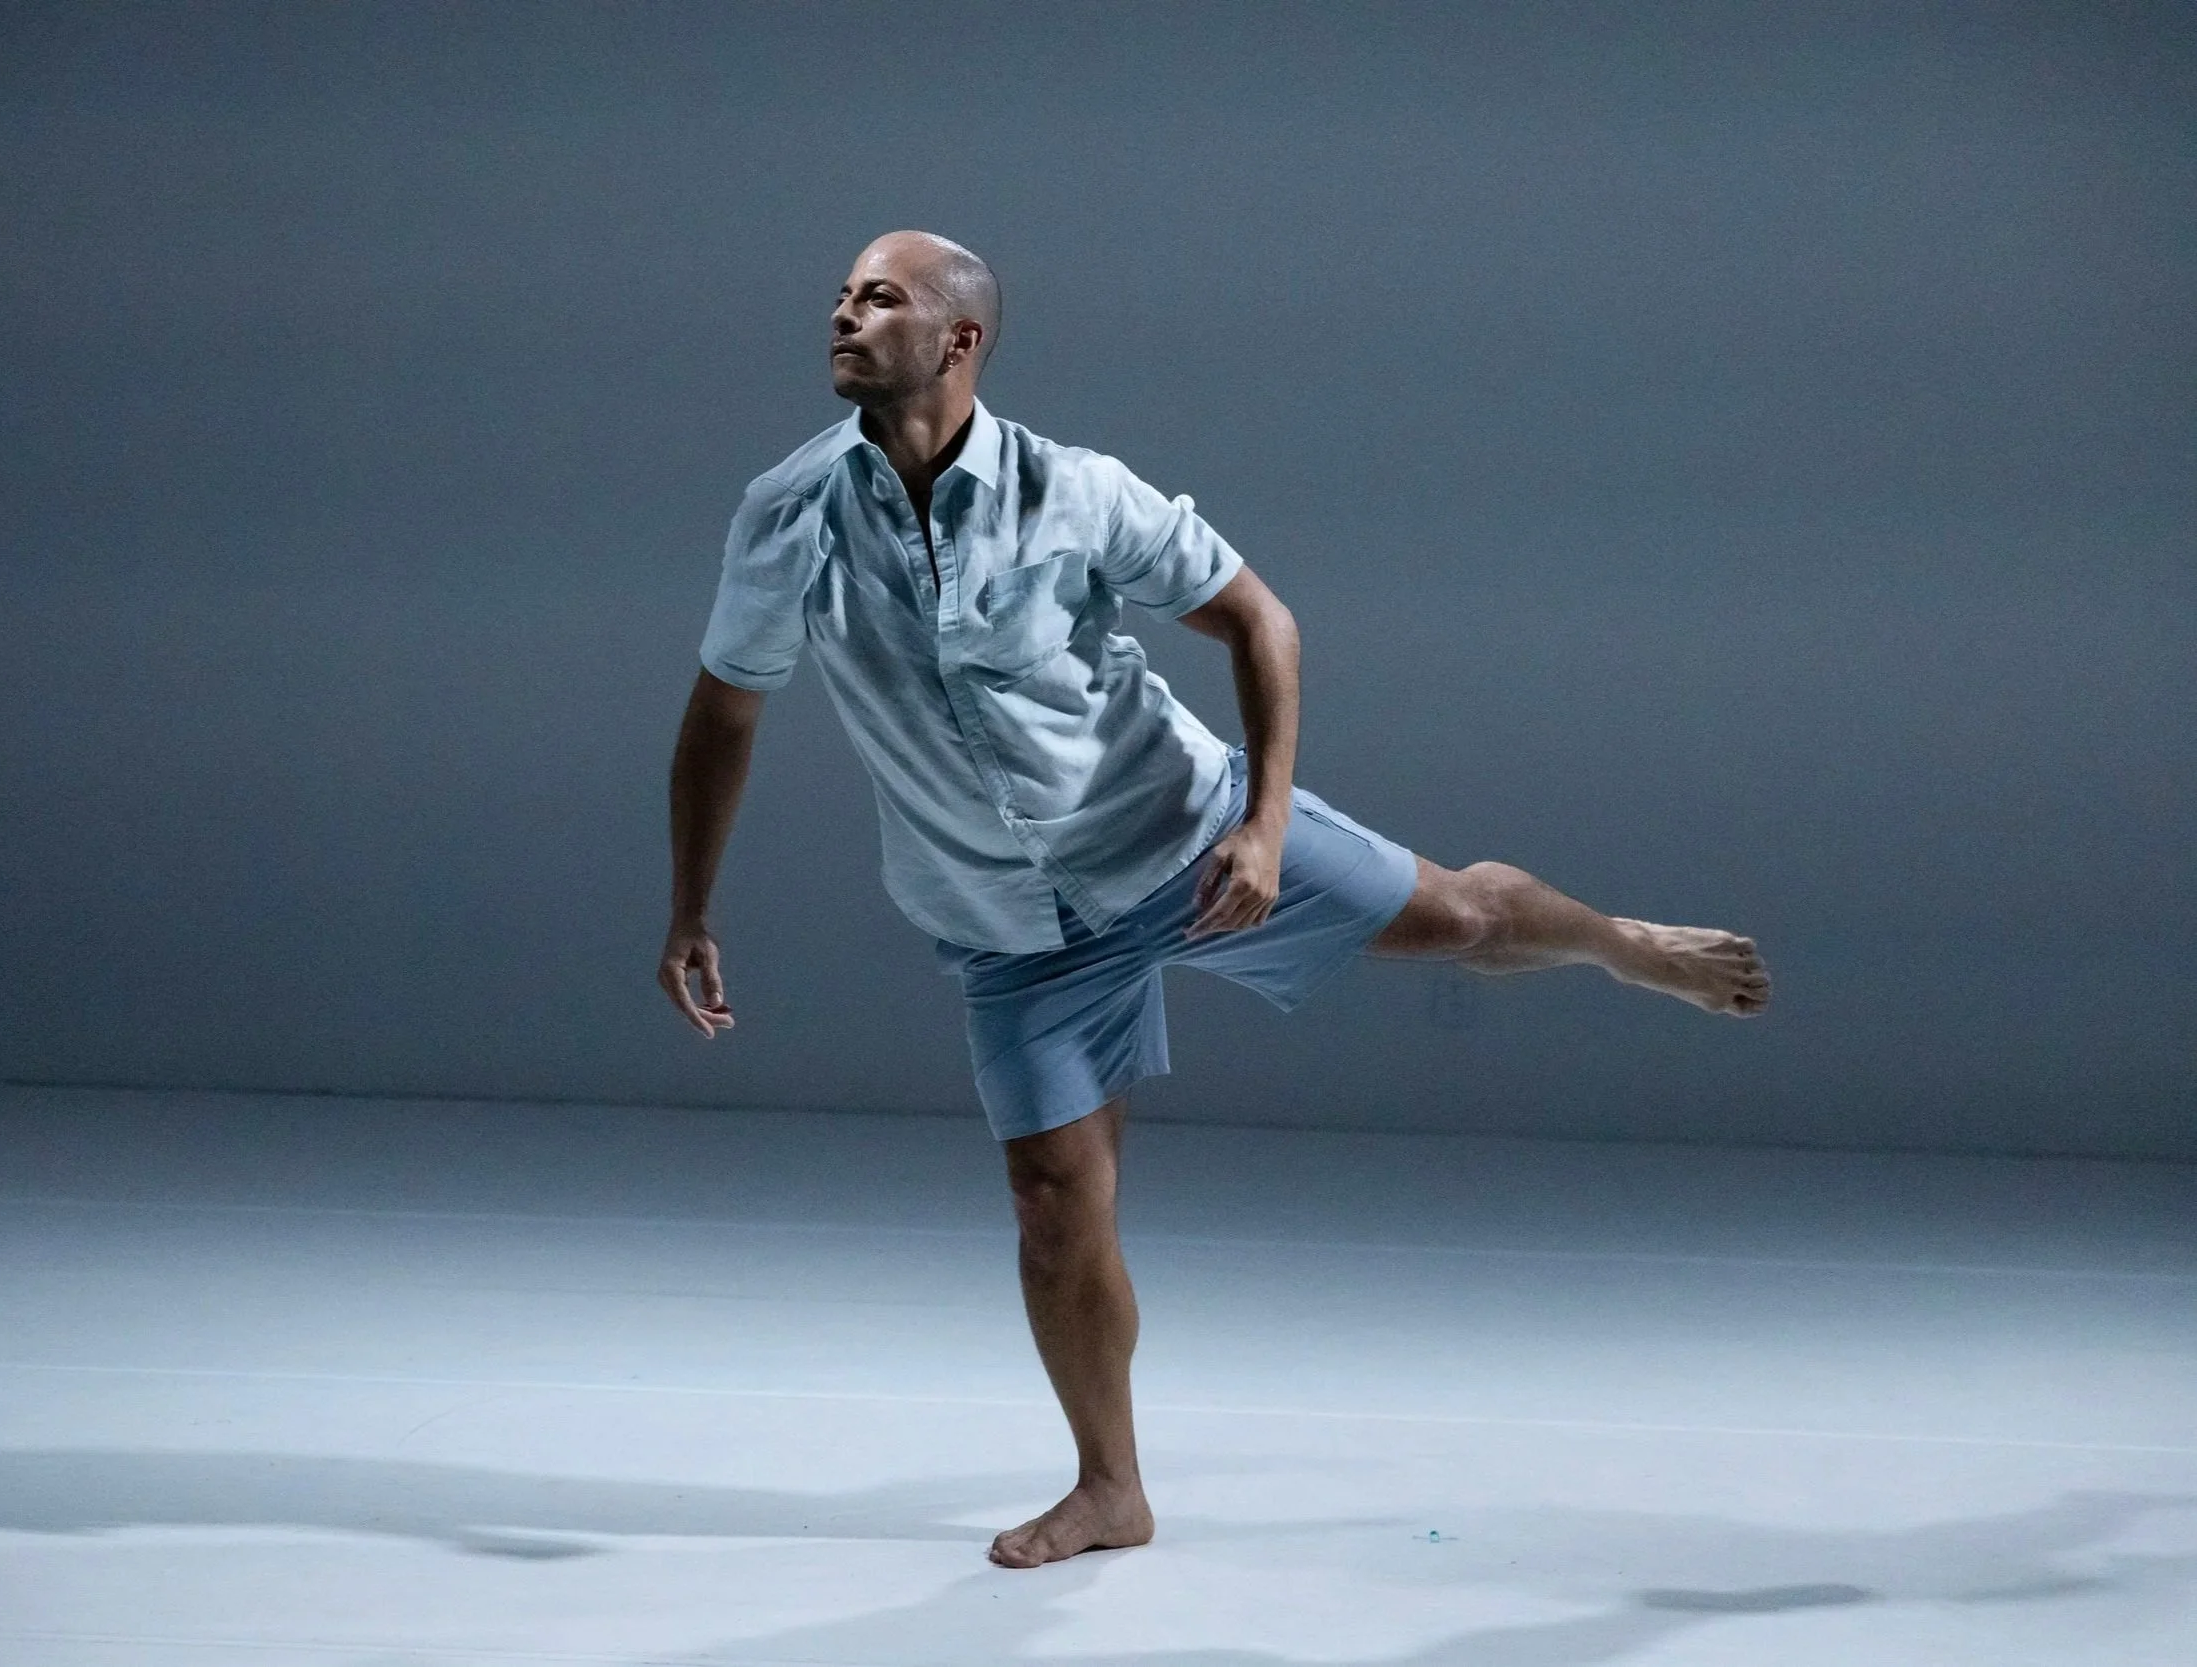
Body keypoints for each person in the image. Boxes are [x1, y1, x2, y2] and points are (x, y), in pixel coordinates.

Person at [660, 230, 1771, 1570]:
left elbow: (1262, 621)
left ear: (958, 341)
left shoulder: (1077, 491)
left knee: (1463, 919)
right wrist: (690, 908)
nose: (841, 310)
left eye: (877, 296)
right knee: (1054, 1206)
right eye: (840, 292)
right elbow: (725, 710)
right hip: (1007, 925)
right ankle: (1110, 1487)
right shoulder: (788, 512)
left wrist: (1261, 824)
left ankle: (1620, 944)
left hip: (1180, 841)